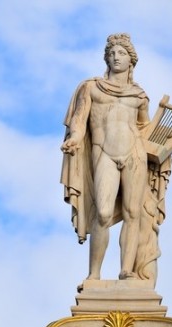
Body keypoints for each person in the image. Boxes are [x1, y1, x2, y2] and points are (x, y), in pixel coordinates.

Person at [61, 33, 150, 280]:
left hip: (134, 154)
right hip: (104, 153)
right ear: (106, 59)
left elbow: (146, 130)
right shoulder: (92, 88)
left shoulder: (139, 96)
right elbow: (79, 120)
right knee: (102, 213)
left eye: (121, 53)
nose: (115, 57)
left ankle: (126, 270)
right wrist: (75, 139)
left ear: (131, 60)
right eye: (111, 53)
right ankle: (94, 275)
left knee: (133, 213)